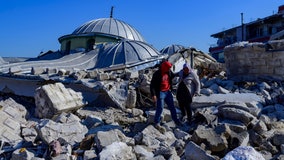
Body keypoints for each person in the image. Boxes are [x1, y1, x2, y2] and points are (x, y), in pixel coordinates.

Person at [150, 60, 181, 129]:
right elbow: (152, 85)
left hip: (167, 91)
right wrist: (153, 95)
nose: (169, 69)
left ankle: (176, 120)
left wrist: (181, 73)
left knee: (172, 107)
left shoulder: (168, 72)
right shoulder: (157, 74)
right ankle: (156, 122)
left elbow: (173, 75)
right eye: (168, 68)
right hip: (160, 92)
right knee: (160, 107)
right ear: (164, 67)